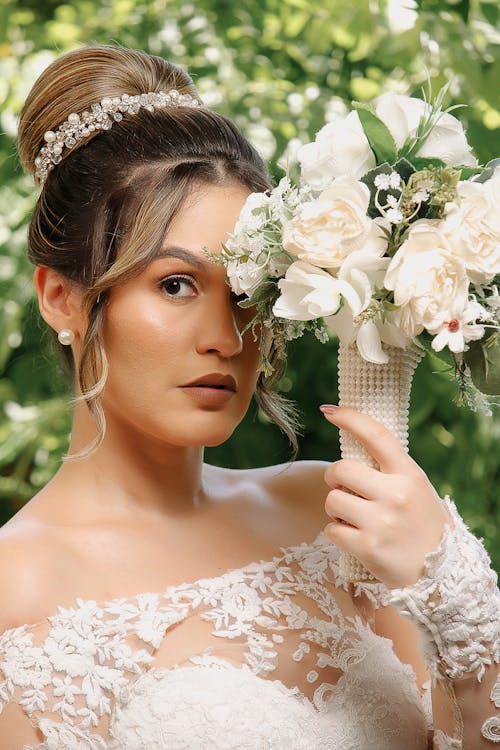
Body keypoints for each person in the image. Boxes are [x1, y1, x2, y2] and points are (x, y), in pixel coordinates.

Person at [0, 44, 497, 749]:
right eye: (175, 285)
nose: (227, 339)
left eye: (244, 293)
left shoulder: (331, 513)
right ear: (62, 299)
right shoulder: (15, 589)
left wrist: (449, 590)